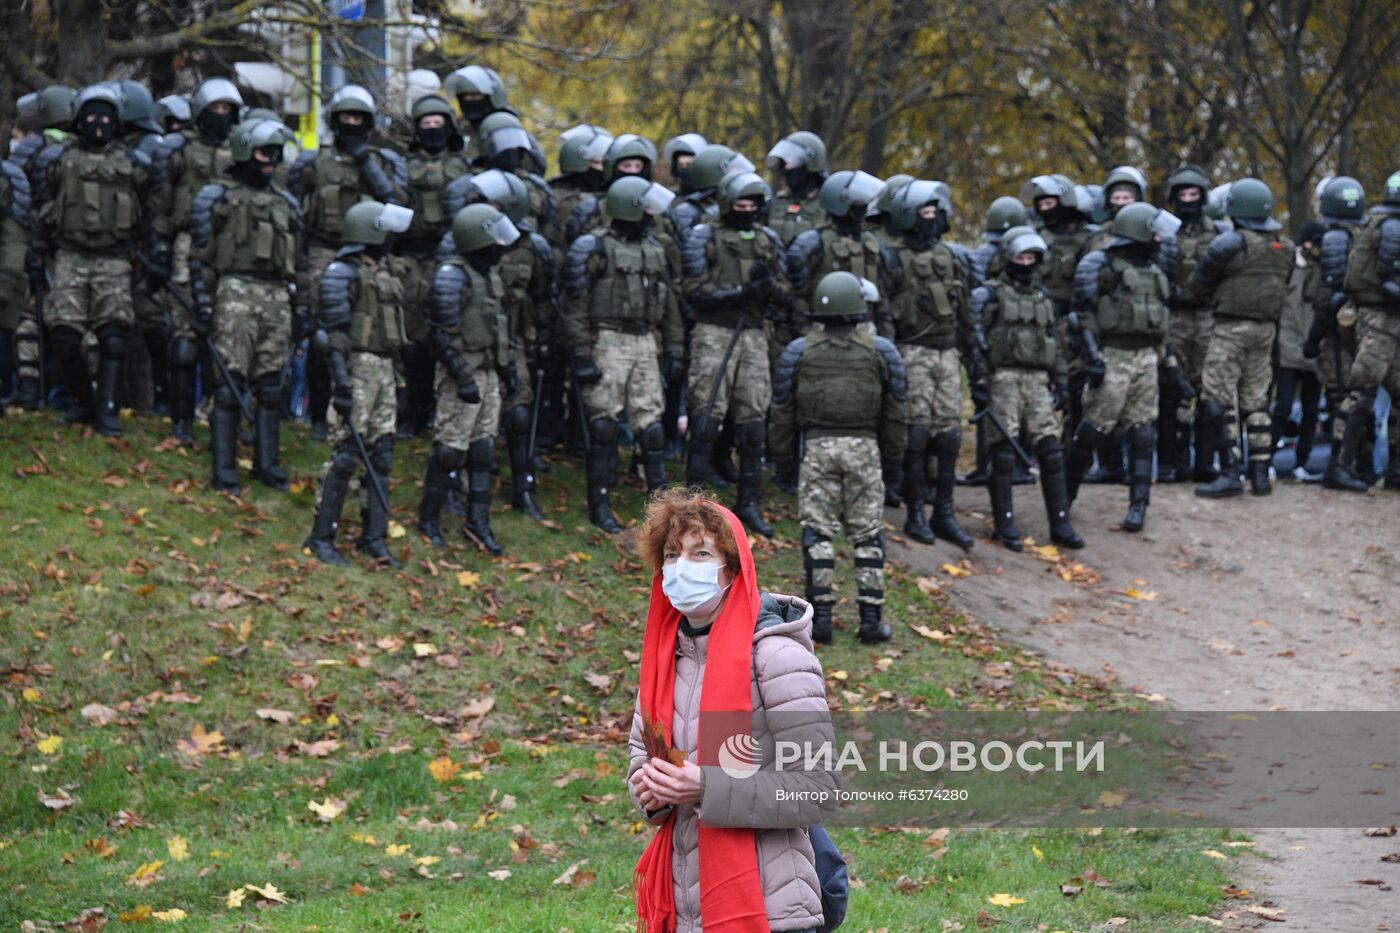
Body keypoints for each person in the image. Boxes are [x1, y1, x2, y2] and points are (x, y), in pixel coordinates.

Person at [627, 488, 836, 933]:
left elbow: (818, 789)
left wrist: (705, 787)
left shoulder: (777, 658)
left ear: (733, 569)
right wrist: (649, 792)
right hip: (684, 908)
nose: (681, 567)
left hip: (771, 910)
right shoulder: (662, 662)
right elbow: (641, 766)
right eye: (671, 554)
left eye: (700, 553)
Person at [771, 271, 907, 643]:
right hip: (864, 449)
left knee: (818, 532)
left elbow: (782, 409)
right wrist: (894, 461)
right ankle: (870, 620)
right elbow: (896, 412)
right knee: (867, 532)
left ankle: (822, 621)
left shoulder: (800, 350)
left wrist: (782, 458)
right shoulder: (881, 350)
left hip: (818, 448)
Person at [31, 83, 158, 437]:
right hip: (70, 256)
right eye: (91, 116)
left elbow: (150, 215)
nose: (98, 123)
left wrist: (153, 260)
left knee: (114, 338)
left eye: (105, 116)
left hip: (116, 259)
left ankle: (108, 413)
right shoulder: (58, 160)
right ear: (78, 120)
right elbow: (42, 211)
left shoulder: (135, 165)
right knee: (64, 336)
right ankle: (83, 402)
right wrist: (36, 256)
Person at [188, 118, 308, 494]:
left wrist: (302, 307)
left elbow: (300, 262)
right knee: (229, 384)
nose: (270, 160)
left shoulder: (286, 201)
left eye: (275, 153)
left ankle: (266, 463)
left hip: (277, 296)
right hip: (234, 292)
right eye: (262, 152)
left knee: (272, 386)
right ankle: (223, 469)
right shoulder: (218, 197)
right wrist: (203, 304)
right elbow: (201, 257)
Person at [561, 175, 682, 532]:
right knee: (604, 424)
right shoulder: (594, 247)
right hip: (609, 339)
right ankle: (599, 502)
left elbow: (670, 301)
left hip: (645, 340)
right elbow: (575, 304)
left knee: (652, 427)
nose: (651, 213)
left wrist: (674, 345)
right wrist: (582, 352)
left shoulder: (655, 247)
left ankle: (661, 508)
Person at [287, 84, 407, 440]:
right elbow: (293, 212)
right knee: (322, 336)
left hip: (371, 254)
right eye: (345, 117)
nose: (351, 123)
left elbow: (398, 208)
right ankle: (319, 414)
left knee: (376, 333)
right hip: (322, 250)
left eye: (358, 118)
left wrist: (366, 163)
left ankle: (378, 413)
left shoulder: (384, 163)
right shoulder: (313, 161)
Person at [443, 168, 557, 521]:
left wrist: (544, 339)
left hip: (514, 342)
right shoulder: (458, 242)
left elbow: (542, 297)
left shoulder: (533, 247)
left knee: (519, 411)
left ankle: (523, 486)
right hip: (471, 344)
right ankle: (453, 487)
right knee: (464, 417)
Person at [681, 170, 792, 536]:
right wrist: (739, 292)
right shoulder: (704, 235)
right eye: (740, 204)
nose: (746, 210)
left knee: (753, 420)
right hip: (716, 332)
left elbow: (788, 293)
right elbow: (694, 288)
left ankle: (748, 504)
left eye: (752, 205)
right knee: (706, 416)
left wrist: (767, 287)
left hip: (756, 335)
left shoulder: (768, 239)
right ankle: (692, 508)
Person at [303, 200, 413, 567]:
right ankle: (321, 537)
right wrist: (342, 383)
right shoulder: (342, 273)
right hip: (358, 366)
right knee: (348, 454)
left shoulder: (383, 271)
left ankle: (374, 538)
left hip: (383, 367)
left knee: (381, 452)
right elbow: (332, 334)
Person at [970, 227, 1084, 551]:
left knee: (1050, 450)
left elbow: (1056, 343)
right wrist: (978, 382)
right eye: (1021, 256)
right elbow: (974, 342)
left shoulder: (1043, 298)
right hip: (1003, 378)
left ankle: (1061, 523)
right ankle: (1004, 524)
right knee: (1003, 453)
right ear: (1008, 257)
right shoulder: (988, 295)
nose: (1026, 262)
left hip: (1037, 380)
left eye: (1031, 257)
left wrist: (1060, 380)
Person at [1065, 202, 1176, 531]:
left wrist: (1168, 364)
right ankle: (1063, 498)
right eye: (1153, 232)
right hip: (1112, 356)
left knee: (1143, 431)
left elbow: (1161, 323)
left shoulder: (1154, 273)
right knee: (1093, 429)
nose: (1159, 239)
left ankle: (1138, 505)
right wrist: (1093, 359)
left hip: (1145, 358)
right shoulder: (1100, 265)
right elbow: (1081, 315)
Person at [416, 203, 520, 552]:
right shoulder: (451, 275)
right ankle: (428, 519)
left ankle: (478, 522)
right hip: (461, 373)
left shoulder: (490, 273)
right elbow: (439, 335)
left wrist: (508, 371)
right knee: (449, 449)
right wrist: (461, 377)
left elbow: (498, 327)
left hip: (488, 372)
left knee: (483, 449)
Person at [882, 179, 978, 549]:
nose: (932, 218)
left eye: (936, 211)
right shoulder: (892, 257)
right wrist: (891, 357)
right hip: (912, 351)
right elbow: (886, 312)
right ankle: (916, 513)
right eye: (925, 212)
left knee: (950, 434)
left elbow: (965, 308)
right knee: (917, 435)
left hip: (947, 352)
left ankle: (944, 512)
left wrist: (974, 357)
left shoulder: (954, 256)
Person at [152, 77, 245, 444]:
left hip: (232, 248)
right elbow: (161, 205)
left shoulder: (242, 148)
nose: (221, 117)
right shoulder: (180, 150)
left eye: (227, 110)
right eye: (215, 110)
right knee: (186, 340)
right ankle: (182, 421)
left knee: (228, 341)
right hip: (188, 245)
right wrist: (160, 249)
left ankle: (223, 417)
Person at [1192, 178, 1295, 498]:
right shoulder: (1285, 247)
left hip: (1229, 330)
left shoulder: (1229, 243)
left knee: (1217, 398)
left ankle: (1230, 472)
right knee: (1257, 401)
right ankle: (1261, 476)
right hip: (1266, 331)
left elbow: (1199, 284)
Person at [396, 93, 472, 440]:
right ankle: (412, 413)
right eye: (424, 124)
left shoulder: (465, 166)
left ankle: (441, 414)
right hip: (411, 257)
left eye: (437, 123)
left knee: (449, 337)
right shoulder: (401, 165)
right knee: (413, 342)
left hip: (452, 256)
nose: (431, 129)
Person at [110, 79, 174, 420]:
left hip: (145, 250)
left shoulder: (149, 148)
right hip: (127, 249)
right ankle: (136, 401)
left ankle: (157, 398)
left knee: (149, 325)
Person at [1160, 165, 1229, 483]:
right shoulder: (1164, 232)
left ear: (1202, 197)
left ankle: (1204, 462)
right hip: (1172, 318)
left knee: (1207, 390)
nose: (1188, 200)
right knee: (1171, 389)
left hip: (1206, 318)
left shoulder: (1218, 232)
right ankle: (1172, 462)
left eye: (1193, 194)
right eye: (1182, 195)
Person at [1303, 178, 1371, 490]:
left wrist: (1313, 339)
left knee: (1342, 399)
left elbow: (1328, 295)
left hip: (1337, 332)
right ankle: (1361, 465)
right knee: (1359, 397)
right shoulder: (1367, 234)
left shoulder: (1334, 239)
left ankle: (1339, 465)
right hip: (1363, 330)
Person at [1334, 169, 1400, 490]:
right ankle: (1340, 465)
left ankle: (1393, 470)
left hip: (1382, 318)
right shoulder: (1392, 227)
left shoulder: (1379, 222)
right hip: (1380, 319)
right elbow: (1389, 278)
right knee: (1361, 390)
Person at [1274, 219, 1325, 481]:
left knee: (1311, 411)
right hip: (1288, 347)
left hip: (1315, 352)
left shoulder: (1326, 268)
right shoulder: (1289, 265)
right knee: (1282, 406)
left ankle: (1301, 464)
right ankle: (1267, 460)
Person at [765, 130, 829, 246]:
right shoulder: (776, 202)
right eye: (784, 163)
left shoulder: (829, 204)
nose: (786, 168)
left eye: (792, 162)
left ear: (811, 163)